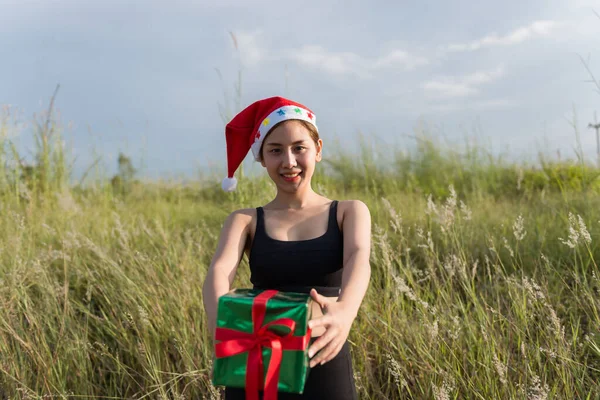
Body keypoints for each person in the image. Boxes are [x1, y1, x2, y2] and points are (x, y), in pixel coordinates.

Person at [202, 96, 372, 399]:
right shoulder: (244, 220)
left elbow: (359, 258)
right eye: (275, 150)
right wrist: (223, 330)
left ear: (318, 150)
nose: (289, 161)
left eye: (299, 148)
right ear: (262, 158)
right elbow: (219, 272)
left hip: (323, 353)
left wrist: (346, 311)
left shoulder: (349, 212)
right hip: (256, 357)